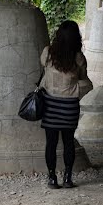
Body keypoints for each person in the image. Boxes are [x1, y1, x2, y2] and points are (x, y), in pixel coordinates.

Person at [40, 21, 92, 189]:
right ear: (76, 37)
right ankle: (68, 177)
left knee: (51, 142)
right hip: (69, 105)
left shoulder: (48, 53)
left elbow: (43, 66)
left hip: (50, 104)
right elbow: (84, 78)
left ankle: (52, 178)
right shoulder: (78, 57)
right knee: (68, 141)